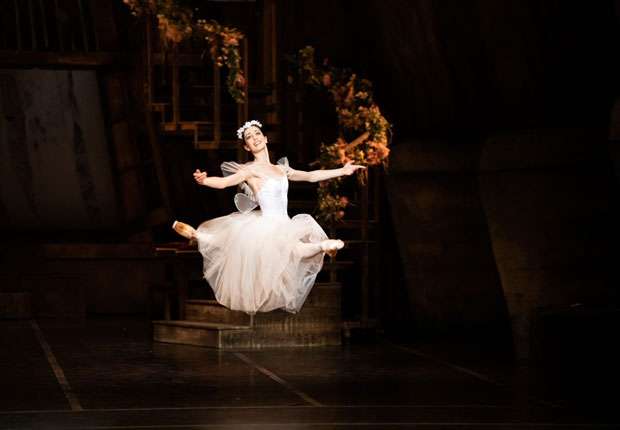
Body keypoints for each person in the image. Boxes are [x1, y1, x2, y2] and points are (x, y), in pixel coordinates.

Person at [172, 120, 365, 314]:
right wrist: (205, 180)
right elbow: (224, 183)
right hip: (267, 224)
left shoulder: (281, 169)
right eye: (249, 137)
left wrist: (342, 170)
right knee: (292, 250)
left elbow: (310, 176)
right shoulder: (250, 171)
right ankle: (322, 246)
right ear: (247, 146)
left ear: (265, 138)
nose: (254, 138)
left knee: (294, 251)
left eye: (257, 134)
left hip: (285, 221)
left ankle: (322, 246)